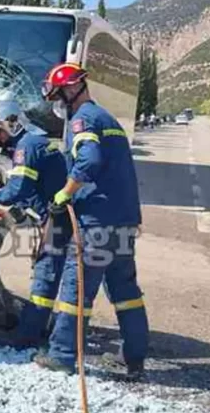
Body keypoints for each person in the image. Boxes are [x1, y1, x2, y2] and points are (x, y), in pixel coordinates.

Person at [35, 62, 149, 381]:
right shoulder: (108, 119)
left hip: (96, 224)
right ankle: (134, 356)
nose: (58, 104)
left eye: (58, 97)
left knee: (77, 290)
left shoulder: (83, 119)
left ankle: (61, 355)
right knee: (125, 291)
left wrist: (65, 193)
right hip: (123, 222)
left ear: (72, 90)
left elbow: (89, 160)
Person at [0, 100, 70, 348]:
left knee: (46, 274)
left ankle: (28, 336)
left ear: (9, 125)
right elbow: (35, 189)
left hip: (59, 221)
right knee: (49, 273)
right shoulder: (35, 141)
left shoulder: (26, 147)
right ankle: (43, 327)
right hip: (56, 216)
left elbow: (19, 188)